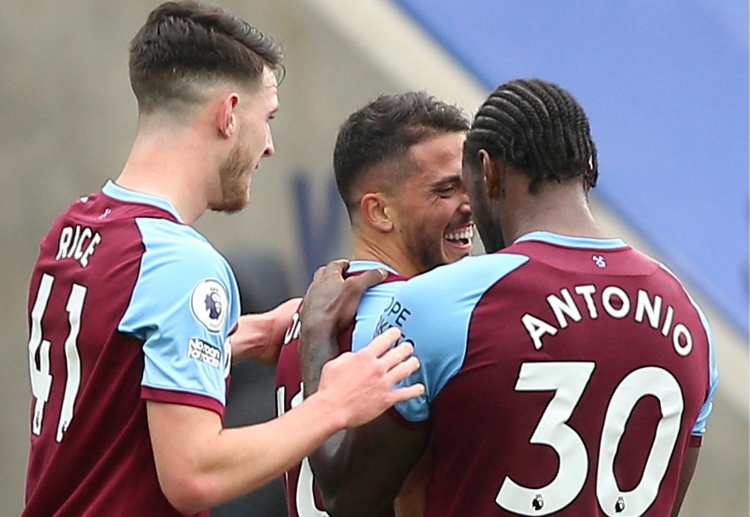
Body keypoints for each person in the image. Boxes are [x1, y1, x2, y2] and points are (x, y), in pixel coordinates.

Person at [22, 2, 423, 516]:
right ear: (229, 114)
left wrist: (240, 339)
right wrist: (333, 405)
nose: (270, 145)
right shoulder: (181, 264)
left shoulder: (74, 227)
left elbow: (108, 374)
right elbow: (194, 474)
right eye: (268, 118)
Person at [299, 78, 719, 516]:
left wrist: (317, 337)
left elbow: (348, 497)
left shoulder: (444, 302)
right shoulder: (689, 318)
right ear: (588, 169)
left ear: (489, 171)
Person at [275, 91, 473, 517]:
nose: (470, 206)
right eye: (446, 190)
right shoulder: (416, 319)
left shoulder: (311, 318)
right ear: (380, 211)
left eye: (471, 184)